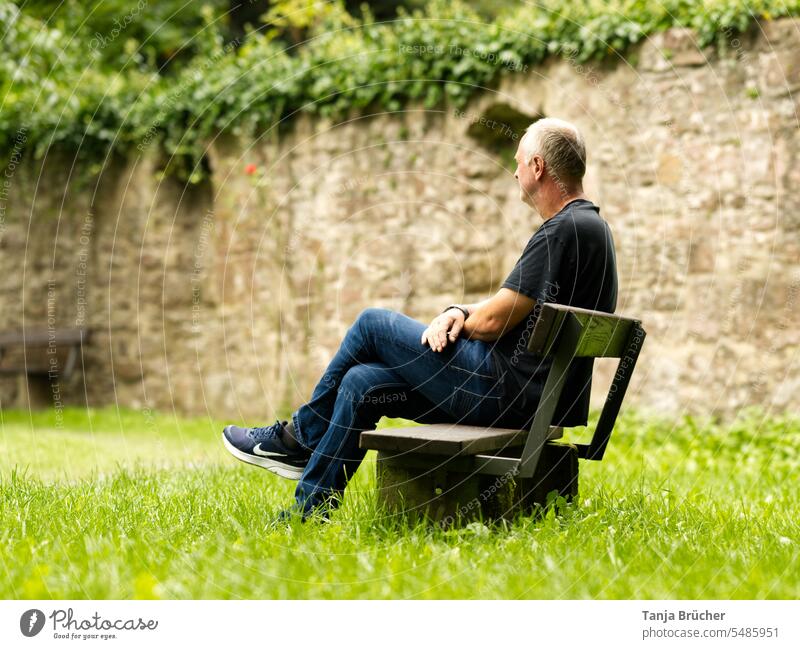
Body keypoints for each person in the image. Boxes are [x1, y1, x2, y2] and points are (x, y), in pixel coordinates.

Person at [222, 117, 618, 520]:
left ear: (538, 167)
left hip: (505, 394)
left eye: (518, 162)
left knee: (371, 324)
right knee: (363, 383)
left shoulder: (560, 231)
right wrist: (458, 311)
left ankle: (299, 438)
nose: (514, 171)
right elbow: (513, 306)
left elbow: (495, 321)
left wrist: (462, 320)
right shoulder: (593, 228)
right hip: (533, 398)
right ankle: (309, 512)